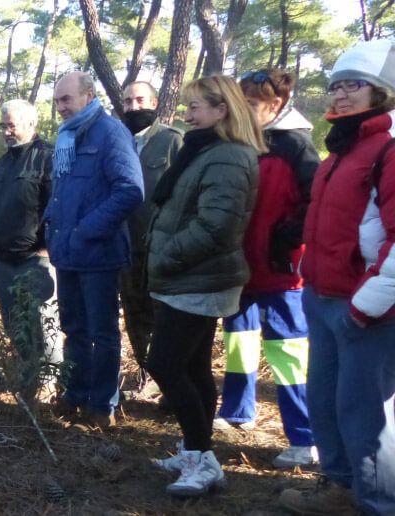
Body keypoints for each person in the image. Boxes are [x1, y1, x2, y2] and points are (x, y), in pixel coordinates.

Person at [279, 39, 395, 516]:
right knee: (325, 402)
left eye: (354, 86)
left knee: (365, 415)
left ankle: (379, 504)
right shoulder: (340, 152)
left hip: (366, 309)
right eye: (335, 86)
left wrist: (367, 305)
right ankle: (341, 489)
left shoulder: (387, 150)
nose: (341, 95)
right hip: (321, 298)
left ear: (380, 93)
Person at [144, 75, 263, 496]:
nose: (187, 115)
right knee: (192, 367)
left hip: (196, 279)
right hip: (189, 277)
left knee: (164, 364)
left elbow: (217, 226)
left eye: (195, 107)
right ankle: (195, 450)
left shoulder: (228, 156)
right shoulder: (204, 150)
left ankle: (203, 459)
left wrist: (166, 256)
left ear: (221, 110)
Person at [214, 69, 320, 469]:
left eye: (252, 103)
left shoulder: (296, 145)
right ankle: (237, 410)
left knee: (287, 351)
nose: (243, 110)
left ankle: (304, 437)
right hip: (242, 268)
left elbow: (316, 201)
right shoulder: (241, 142)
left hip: (281, 271)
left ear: (276, 105)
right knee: (238, 342)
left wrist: (285, 237)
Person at [44, 72, 144, 428]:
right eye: (57, 101)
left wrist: (86, 230)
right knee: (74, 328)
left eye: (66, 99)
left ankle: (102, 405)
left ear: (89, 95)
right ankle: (75, 394)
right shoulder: (67, 137)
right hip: (68, 253)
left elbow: (130, 190)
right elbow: (61, 192)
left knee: (102, 333)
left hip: (99, 254)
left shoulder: (111, 133)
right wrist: (51, 226)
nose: (61, 107)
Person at [0, 99, 60, 401]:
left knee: (43, 322)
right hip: (3, 260)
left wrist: (46, 248)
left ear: (31, 124)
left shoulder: (48, 157)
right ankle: (28, 375)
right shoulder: (1, 164)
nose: (6, 131)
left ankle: (49, 382)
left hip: (35, 258)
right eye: (2, 125)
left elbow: (57, 206)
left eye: (11, 125)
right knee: (14, 322)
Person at [119, 81, 182, 391]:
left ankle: (170, 383)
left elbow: (185, 195)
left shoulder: (172, 141)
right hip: (125, 247)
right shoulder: (119, 143)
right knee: (135, 315)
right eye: (128, 102)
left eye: (140, 100)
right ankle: (147, 377)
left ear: (155, 103)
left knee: (164, 318)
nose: (134, 107)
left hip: (160, 249)